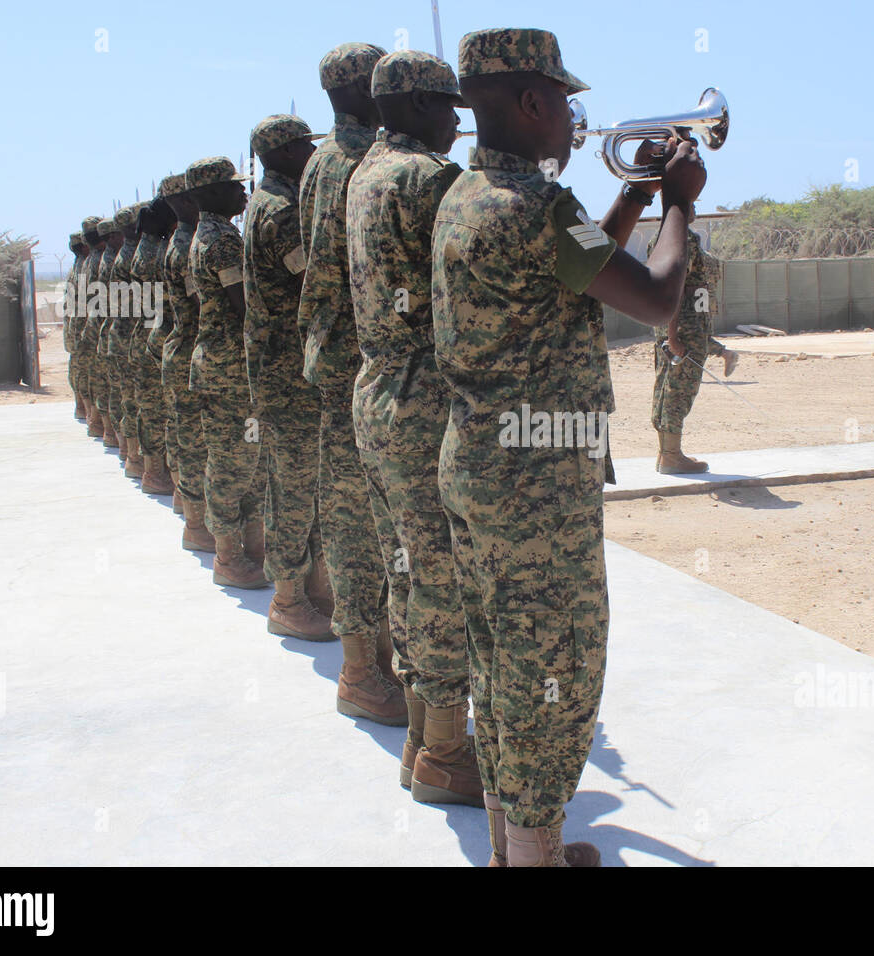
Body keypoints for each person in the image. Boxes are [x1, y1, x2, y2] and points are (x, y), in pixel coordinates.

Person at [433, 27, 706, 865]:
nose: (572, 118)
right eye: (562, 99)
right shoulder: (538, 208)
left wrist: (634, 197)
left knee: (499, 659)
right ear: (530, 102)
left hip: (480, 466)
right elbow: (656, 299)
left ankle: (513, 848)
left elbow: (584, 265)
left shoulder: (469, 196)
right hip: (537, 487)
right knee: (555, 667)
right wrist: (680, 201)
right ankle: (535, 856)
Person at [346, 49, 480, 803]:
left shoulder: (365, 172)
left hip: (378, 392)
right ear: (420, 104)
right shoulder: (429, 179)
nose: (458, 122)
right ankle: (445, 753)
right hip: (425, 400)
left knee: (407, 568)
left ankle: (423, 740)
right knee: (443, 578)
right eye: (448, 106)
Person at [298, 42, 405, 724]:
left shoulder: (321, 160)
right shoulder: (364, 162)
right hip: (361, 360)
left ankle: (367, 662)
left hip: (336, 357)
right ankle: (365, 672)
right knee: (365, 525)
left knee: (351, 517)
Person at [241, 113, 333, 640]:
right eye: (303, 146)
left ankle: (305, 591)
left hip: (282, 370)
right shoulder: (280, 211)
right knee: (294, 487)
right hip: (287, 374)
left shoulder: (270, 202)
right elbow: (310, 281)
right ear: (281, 152)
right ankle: (289, 600)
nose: (310, 154)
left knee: (295, 482)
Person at [185, 156, 268, 589]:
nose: (243, 193)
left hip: (220, 367)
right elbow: (244, 305)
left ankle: (241, 550)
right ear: (211, 192)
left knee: (237, 461)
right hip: (229, 370)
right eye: (234, 186)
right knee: (233, 466)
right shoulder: (221, 241)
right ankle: (229, 557)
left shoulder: (209, 235)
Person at [648, 215, 733, 472]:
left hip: (671, 326)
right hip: (684, 330)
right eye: (691, 202)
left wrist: (669, 333)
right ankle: (671, 457)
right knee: (678, 394)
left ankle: (666, 454)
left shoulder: (658, 238)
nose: (695, 207)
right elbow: (676, 285)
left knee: (666, 392)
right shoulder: (683, 238)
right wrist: (674, 336)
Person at [160, 174, 216, 554]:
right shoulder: (187, 247)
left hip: (186, 351)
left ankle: (194, 515)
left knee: (190, 439)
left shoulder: (185, 242)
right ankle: (198, 526)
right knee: (197, 444)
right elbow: (206, 305)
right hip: (194, 351)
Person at [130, 188, 177, 496]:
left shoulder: (145, 250)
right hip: (163, 334)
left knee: (152, 411)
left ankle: (153, 472)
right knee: (167, 414)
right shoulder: (160, 252)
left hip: (148, 333)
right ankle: (161, 477)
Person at [108, 203, 145, 474]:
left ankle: (133, 457)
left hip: (126, 336)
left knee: (130, 400)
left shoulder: (126, 254)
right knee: (136, 403)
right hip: (132, 337)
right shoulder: (134, 255)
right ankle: (136, 460)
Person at [91, 217, 122, 448]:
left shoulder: (102, 259)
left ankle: (113, 437)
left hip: (109, 329)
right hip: (117, 332)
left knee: (111, 388)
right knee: (118, 391)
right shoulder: (111, 260)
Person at [77, 216, 106, 437]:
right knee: (103, 381)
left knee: (95, 378)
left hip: (92, 325)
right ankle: (100, 426)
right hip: (100, 327)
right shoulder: (99, 261)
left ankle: (95, 423)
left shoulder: (87, 262)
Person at [64, 231, 90, 421]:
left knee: (78, 368)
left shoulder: (77, 266)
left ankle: (82, 409)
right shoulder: (84, 267)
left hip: (75, 326)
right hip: (81, 327)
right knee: (86, 371)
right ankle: (88, 412)